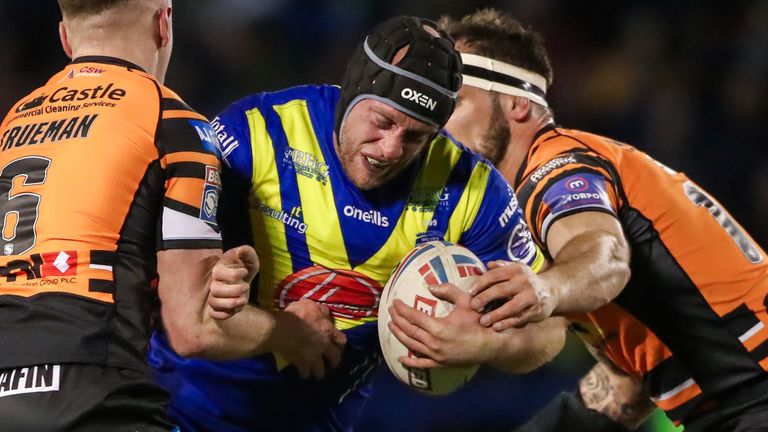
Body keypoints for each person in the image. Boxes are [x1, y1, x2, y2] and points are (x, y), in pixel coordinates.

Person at [147, 15, 567, 432]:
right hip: (172, 411)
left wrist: (488, 343)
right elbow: (177, 301)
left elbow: (550, 328)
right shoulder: (257, 131)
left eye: (416, 137)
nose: (390, 148)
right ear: (352, 91)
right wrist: (272, 321)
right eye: (382, 121)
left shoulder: (472, 189)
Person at [389, 8, 768, 432]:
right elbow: (626, 387)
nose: (436, 125)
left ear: (516, 103)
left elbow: (604, 256)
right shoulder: (543, 203)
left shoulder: (557, 168)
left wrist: (544, 288)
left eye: (454, 103)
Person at [0, 1, 264, 430]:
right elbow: (192, 327)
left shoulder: (12, 122)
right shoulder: (174, 122)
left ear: (66, 39)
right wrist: (296, 334)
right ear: (164, 23)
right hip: (91, 385)